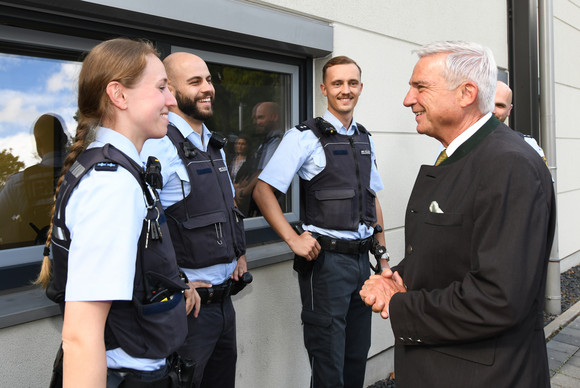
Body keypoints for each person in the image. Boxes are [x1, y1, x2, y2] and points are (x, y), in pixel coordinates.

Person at [359, 41, 556, 387]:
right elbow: (455, 248)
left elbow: (498, 298)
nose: (408, 99)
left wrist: (401, 303)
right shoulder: (465, 156)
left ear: (466, 93)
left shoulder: (509, 165)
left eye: (420, 87)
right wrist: (403, 276)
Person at [34, 38, 199, 388]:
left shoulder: (118, 170)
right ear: (119, 95)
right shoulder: (112, 184)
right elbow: (81, 336)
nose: (171, 100)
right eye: (160, 88)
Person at [253, 56, 388, 388]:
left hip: (361, 263)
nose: (346, 90)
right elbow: (262, 190)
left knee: (357, 357)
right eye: (338, 83)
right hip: (327, 266)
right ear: (324, 88)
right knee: (329, 364)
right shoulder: (304, 137)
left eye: (352, 83)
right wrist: (293, 239)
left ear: (360, 87)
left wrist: (383, 258)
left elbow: (372, 198)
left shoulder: (364, 138)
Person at [141, 51, 248, 388]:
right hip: (190, 311)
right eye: (195, 81)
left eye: (209, 79)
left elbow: (226, 205)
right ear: (169, 90)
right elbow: (142, 231)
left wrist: (238, 251)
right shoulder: (158, 148)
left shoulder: (212, 144)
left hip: (223, 305)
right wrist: (177, 282)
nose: (208, 88)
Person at [0, 113, 69, 248]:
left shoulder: (18, 184)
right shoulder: (87, 175)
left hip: (31, 263)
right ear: (65, 139)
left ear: (38, 143)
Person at [494, 80, 547, 162]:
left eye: (499, 106)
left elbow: (543, 175)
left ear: (509, 110)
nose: (493, 110)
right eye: (489, 104)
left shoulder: (528, 145)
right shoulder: (468, 141)